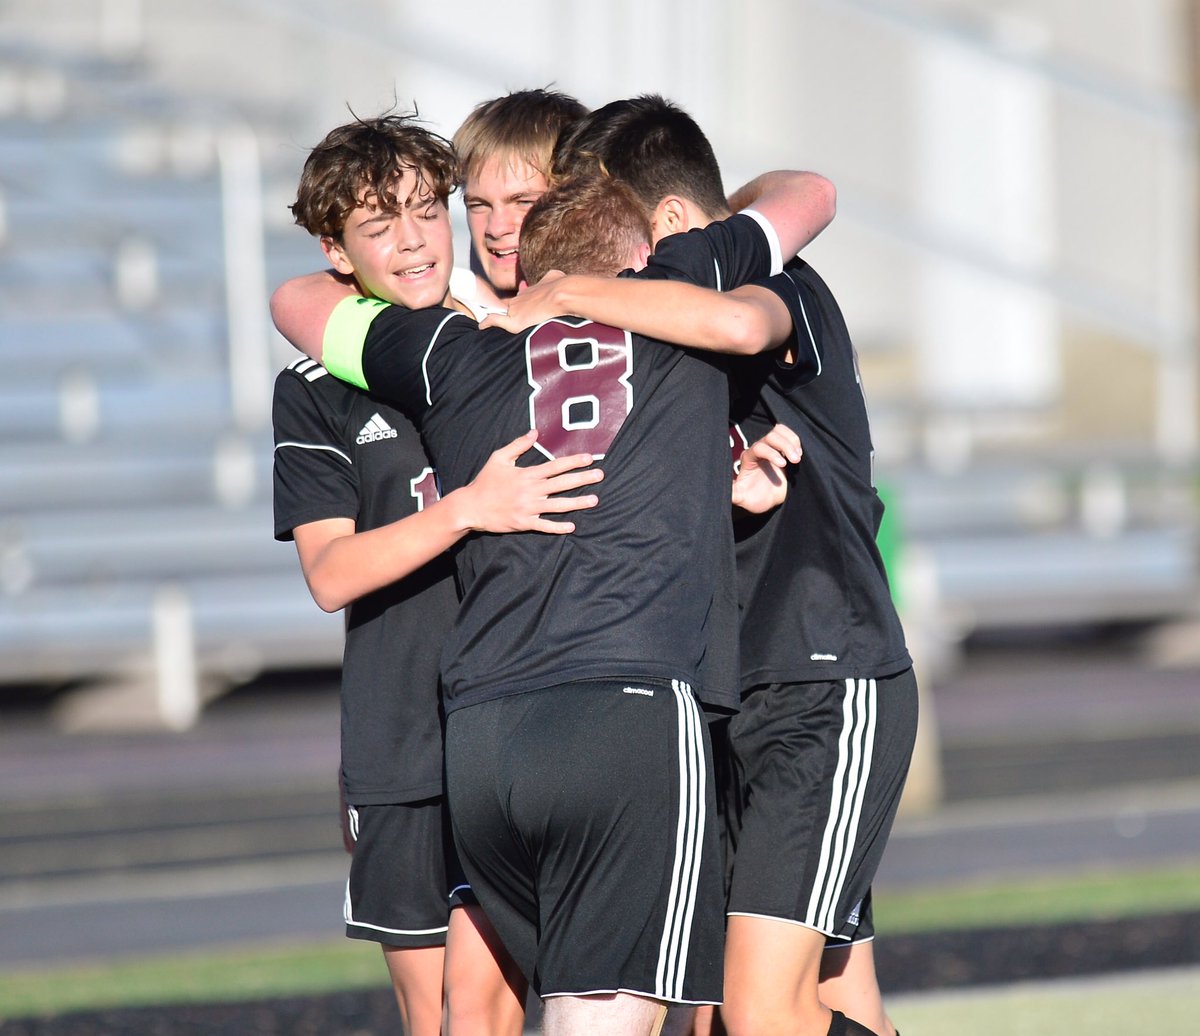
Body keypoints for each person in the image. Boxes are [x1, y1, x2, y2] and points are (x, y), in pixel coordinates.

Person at [271, 163, 825, 1035]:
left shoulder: (448, 351)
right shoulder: (681, 312)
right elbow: (811, 194)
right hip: (627, 712)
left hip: (483, 737)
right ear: (642, 259)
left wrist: (529, 297)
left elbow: (294, 300)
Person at [551, 95, 919, 1036]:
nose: (607, 270)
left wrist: (564, 292)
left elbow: (747, 324)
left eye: (617, 242)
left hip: (821, 679)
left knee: (761, 1013)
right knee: (806, 1002)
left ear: (676, 223)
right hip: (722, 693)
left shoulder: (774, 284)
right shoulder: (650, 335)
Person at [271, 113, 603, 1036]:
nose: (414, 241)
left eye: (427, 211)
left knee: (571, 993)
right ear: (336, 253)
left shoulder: (510, 341)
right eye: (380, 227)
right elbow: (330, 574)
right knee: (446, 1017)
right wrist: (465, 509)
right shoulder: (315, 388)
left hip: (521, 724)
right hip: (404, 742)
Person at [453, 87, 589, 301]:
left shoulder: (630, 311)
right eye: (479, 205)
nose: (496, 229)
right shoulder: (432, 316)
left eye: (524, 202)